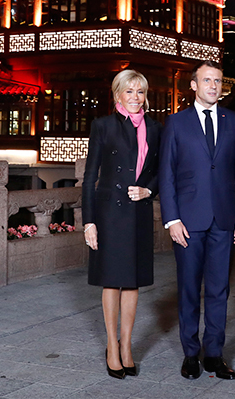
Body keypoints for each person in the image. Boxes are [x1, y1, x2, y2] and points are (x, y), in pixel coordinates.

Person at [158, 60, 235, 381]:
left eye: (218, 81)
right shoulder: (176, 123)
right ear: (194, 85)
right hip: (187, 220)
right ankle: (190, 353)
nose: (213, 86)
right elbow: (166, 174)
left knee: (218, 289)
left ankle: (214, 354)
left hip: (225, 218)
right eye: (207, 80)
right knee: (188, 288)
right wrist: (171, 219)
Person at [82, 69, 162, 380]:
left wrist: (148, 190)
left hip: (138, 211)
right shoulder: (103, 125)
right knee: (111, 280)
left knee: (132, 281)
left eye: (140, 91)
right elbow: (90, 176)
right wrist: (89, 221)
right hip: (109, 213)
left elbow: (160, 171)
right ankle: (111, 346)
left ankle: (126, 345)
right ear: (118, 94)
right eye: (129, 91)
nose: (135, 97)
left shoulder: (155, 128)